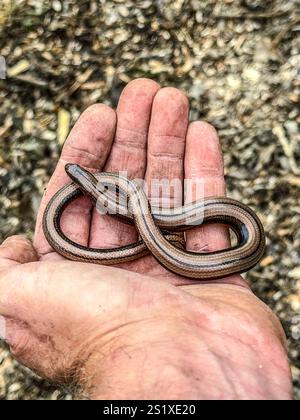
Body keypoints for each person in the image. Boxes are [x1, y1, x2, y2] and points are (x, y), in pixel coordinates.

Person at [0, 79, 292, 400]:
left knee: (148, 216)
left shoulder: (120, 196)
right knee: (150, 217)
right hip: (190, 248)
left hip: (197, 244)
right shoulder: (115, 194)